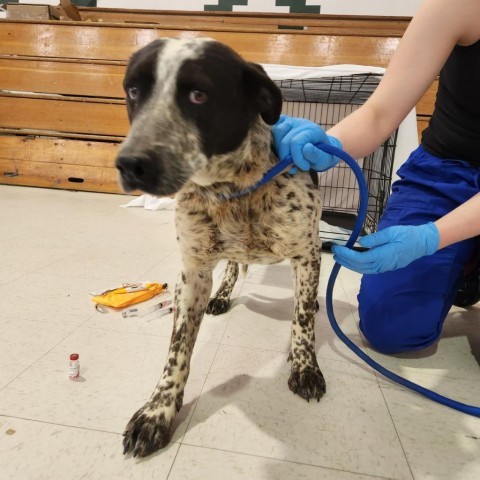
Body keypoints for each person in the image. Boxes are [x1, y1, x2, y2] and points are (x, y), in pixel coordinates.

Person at [273, 0, 480, 354]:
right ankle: (465, 269)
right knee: (390, 326)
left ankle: (461, 252)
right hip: (445, 170)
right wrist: (332, 143)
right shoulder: (460, 5)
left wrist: (433, 237)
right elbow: (380, 113)